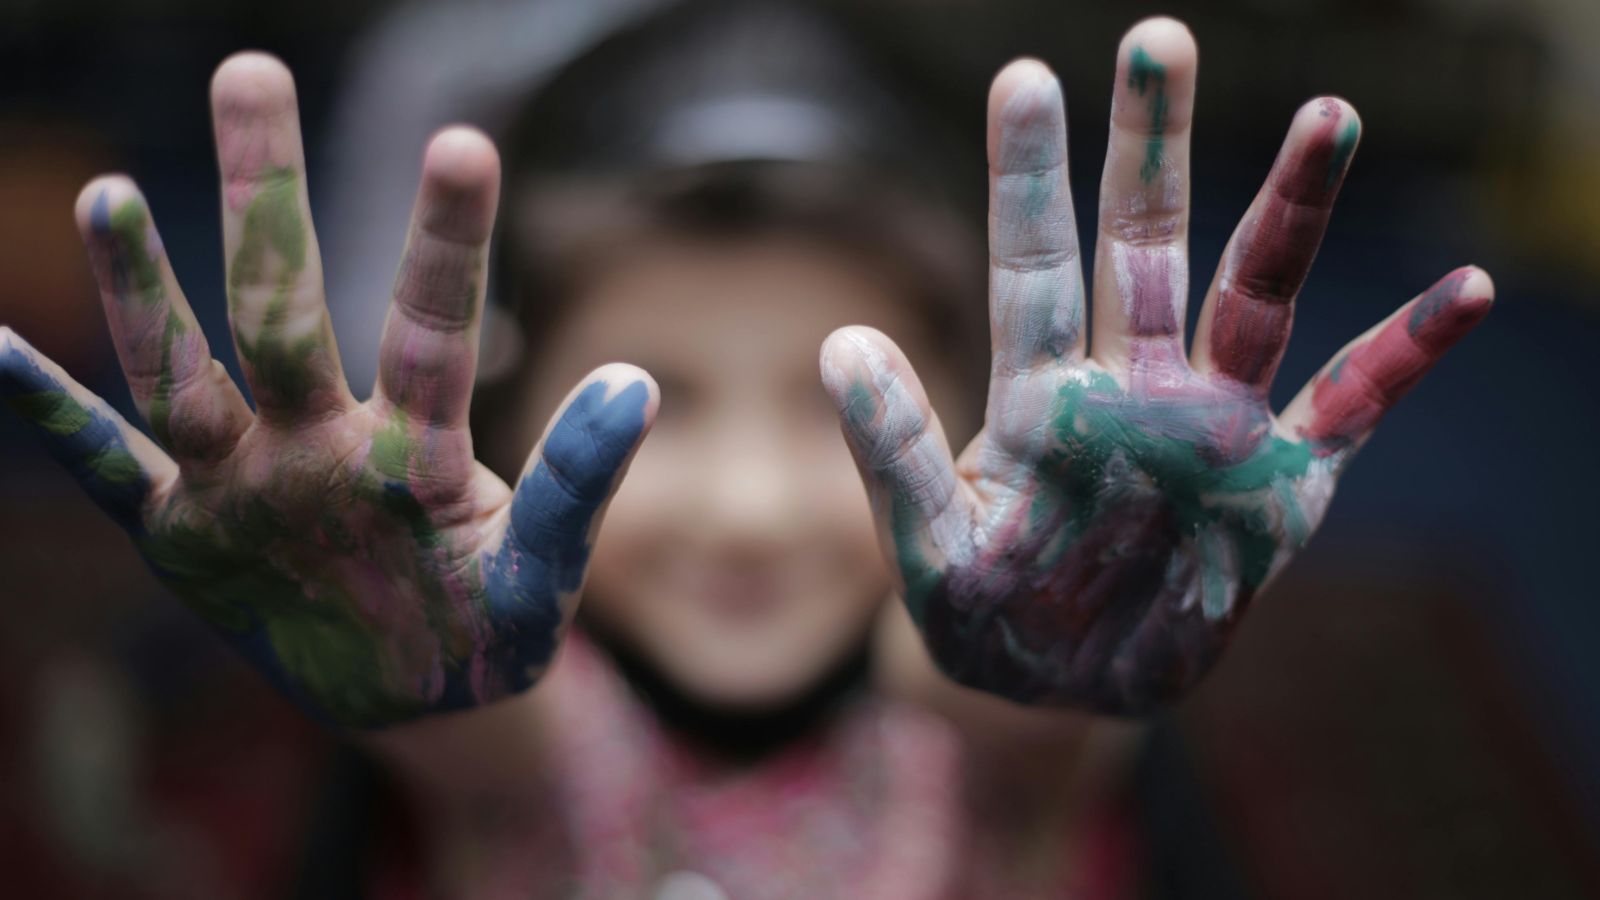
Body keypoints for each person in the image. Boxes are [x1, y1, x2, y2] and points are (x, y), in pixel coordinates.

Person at [0, 4, 1493, 896]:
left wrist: (1069, 645)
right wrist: (390, 664)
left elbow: (1002, 707)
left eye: (841, 411)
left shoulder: (985, 724)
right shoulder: (519, 731)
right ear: (520, 422)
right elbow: (476, 732)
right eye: (652, 407)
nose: (753, 510)